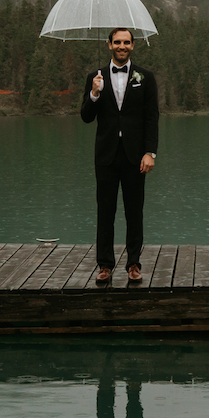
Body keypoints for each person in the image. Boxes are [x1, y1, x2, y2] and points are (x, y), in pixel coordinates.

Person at [81, 27, 159, 283]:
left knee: (134, 212)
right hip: (106, 157)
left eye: (126, 42)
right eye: (117, 42)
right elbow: (86, 117)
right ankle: (105, 265)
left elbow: (151, 119)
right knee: (105, 212)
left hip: (136, 156)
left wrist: (150, 153)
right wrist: (94, 93)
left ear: (133, 46)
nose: (122, 46)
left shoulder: (145, 77)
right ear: (109, 44)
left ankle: (134, 263)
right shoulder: (96, 77)